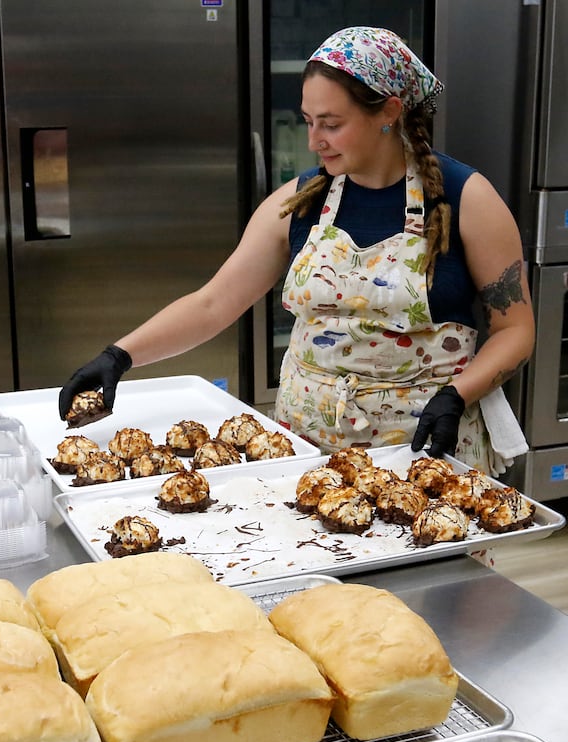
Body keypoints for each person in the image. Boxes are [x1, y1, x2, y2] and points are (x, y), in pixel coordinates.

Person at [59, 26, 535, 476]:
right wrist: (119, 356)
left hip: (424, 452)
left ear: (389, 111)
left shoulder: (464, 199)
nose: (313, 141)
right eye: (309, 122)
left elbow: (515, 329)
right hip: (308, 454)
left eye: (331, 124)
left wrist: (458, 394)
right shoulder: (301, 201)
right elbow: (212, 304)